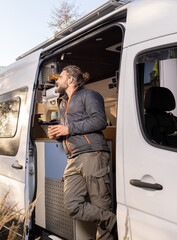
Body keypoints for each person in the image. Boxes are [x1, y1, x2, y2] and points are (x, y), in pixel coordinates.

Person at [48, 65, 116, 240]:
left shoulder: (89, 95)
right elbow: (70, 132)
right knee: (72, 205)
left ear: (70, 79)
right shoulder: (63, 103)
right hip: (73, 159)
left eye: (60, 76)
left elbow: (100, 121)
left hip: (93, 155)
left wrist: (67, 129)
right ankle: (115, 221)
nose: (57, 80)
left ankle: (110, 225)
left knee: (101, 206)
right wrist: (57, 134)